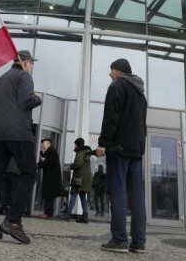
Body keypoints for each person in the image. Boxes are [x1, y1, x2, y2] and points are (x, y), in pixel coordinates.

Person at [0, 50, 42, 244]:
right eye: (31, 63)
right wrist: (37, 98)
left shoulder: (1, 79)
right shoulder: (24, 76)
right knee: (30, 173)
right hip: (18, 134)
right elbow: (26, 101)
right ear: (25, 62)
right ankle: (12, 221)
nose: (32, 66)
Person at [96, 58, 147, 254]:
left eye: (112, 70)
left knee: (117, 191)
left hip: (119, 148)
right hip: (136, 149)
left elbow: (111, 117)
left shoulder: (117, 86)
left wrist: (103, 143)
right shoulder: (140, 92)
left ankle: (119, 240)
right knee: (137, 195)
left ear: (119, 71)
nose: (110, 74)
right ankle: (139, 242)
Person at [62, 138, 93, 223]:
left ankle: (68, 214)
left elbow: (78, 164)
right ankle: (85, 216)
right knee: (82, 196)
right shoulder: (87, 153)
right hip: (86, 178)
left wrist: (71, 166)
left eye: (75, 144)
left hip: (79, 178)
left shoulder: (80, 152)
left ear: (78, 144)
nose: (74, 146)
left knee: (73, 195)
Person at [36, 138, 63, 219]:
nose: (42, 144)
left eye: (43, 143)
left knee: (49, 195)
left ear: (48, 143)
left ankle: (48, 213)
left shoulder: (51, 150)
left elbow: (51, 162)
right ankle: (48, 212)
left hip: (51, 178)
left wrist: (43, 160)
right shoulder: (49, 151)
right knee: (49, 195)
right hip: (50, 178)